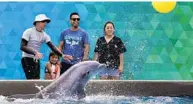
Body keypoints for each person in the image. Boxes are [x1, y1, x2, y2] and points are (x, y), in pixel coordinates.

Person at [20, 14, 72, 79]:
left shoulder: (44, 35)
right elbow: (22, 47)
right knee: (31, 79)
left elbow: (52, 46)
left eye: (46, 22)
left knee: (37, 79)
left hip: (36, 59)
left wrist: (62, 55)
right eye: (43, 21)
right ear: (37, 22)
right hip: (27, 58)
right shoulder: (28, 31)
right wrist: (35, 52)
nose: (45, 23)